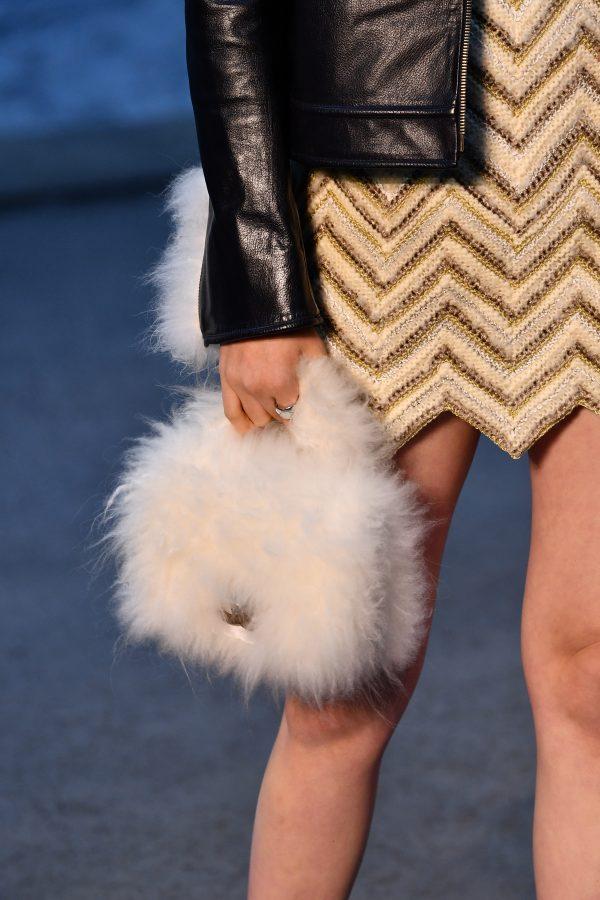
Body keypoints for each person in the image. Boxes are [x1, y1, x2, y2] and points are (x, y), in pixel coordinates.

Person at [184, 1, 600, 897]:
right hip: (387, 207)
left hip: (589, 156)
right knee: (342, 680)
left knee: (593, 676)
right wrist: (258, 283)